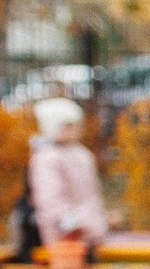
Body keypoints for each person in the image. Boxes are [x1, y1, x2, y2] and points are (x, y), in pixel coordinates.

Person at [28, 96, 106, 260]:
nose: (76, 129)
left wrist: (97, 223)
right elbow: (50, 200)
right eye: (68, 125)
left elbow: (91, 195)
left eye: (77, 124)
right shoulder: (47, 159)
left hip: (91, 235)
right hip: (65, 240)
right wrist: (72, 225)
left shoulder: (82, 154)